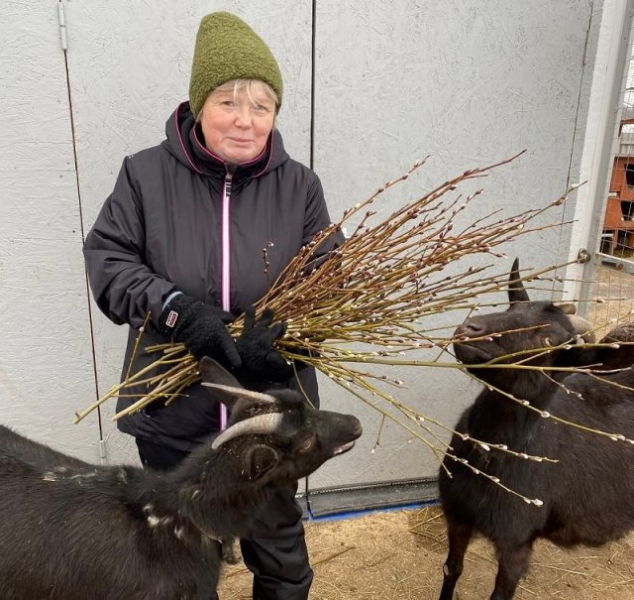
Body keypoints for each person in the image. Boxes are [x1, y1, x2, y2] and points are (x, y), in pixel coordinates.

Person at [83, 11, 341, 600]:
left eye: (262, 106)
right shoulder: (144, 176)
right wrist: (178, 310)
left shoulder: (300, 186)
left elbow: (330, 281)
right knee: (179, 568)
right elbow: (109, 261)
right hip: (174, 412)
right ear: (200, 103)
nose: (246, 121)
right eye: (229, 101)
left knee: (283, 564)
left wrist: (285, 338)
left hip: (271, 423)